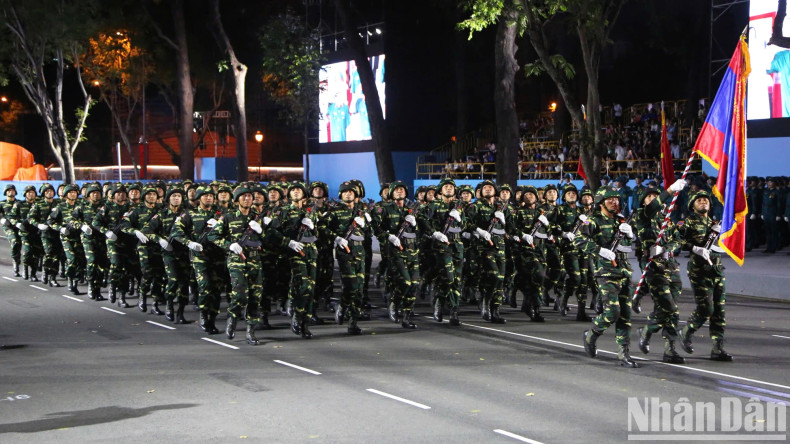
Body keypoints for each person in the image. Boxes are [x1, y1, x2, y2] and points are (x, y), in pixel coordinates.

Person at [578, 188, 639, 368]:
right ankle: (591, 334)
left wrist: (629, 236)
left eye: (616, 199)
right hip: (605, 272)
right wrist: (600, 250)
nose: (614, 202)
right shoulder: (593, 220)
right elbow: (579, 240)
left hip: (624, 271)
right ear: (601, 202)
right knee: (613, 311)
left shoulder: (621, 220)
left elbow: (626, 246)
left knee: (625, 315)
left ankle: (624, 352)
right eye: (610, 199)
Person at [208, 186, 272, 345]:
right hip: (237, 260)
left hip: (255, 260)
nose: (247, 199)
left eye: (249, 196)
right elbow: (212, 235)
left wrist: (262, 231)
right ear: (236, 200)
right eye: (243, 196)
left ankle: (251, 330)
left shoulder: (258, 217)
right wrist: (228, 245)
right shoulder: (228, 217)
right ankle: (233, 318)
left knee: (255, 297)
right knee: (240, 294)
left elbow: (269, 241)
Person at [634, 180, 688, 364]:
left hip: (671, 266)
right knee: (670, 307)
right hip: (653, 267)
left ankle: (669, 348)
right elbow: (651, 209)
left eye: (655, 196)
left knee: (670, 309)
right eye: (649, 197)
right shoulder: (642, 215)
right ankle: (649, 330)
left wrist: (666, 248)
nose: (653, 199)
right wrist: (670, 190)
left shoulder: (666, 219)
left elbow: (677, 239)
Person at [678, 190, 733, 361]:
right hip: (699, 270)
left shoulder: (714, 223)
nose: (703, 203)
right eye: (699, 200)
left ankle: (718, 348)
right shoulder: (687, 222)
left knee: (719, 311)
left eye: (706, 200)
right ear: (692, 205)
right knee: (706, 308)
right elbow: (676, 240)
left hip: (716, 270)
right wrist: (694, 247)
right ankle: (686, 331)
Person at [170, 185, 225, 334]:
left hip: (218, 257)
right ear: (199, 198)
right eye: (205, 195)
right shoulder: (189, 214)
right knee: (205, 286)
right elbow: (176, 232)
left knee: (216, 290)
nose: (208, 198)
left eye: (211, 196)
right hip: (200, 258)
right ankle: (203, 315)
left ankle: (212, 318)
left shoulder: (221, 215)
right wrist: (190, 243)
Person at [419, 177, 465, 325]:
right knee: (448, 277)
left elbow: (466, 225)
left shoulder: (459, 207)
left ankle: (454, 312)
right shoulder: (433, 206)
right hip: (441, 247)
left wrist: (460, 219)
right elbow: (422, 220)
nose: (449, 188)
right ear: (440, 191)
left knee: (456, 280)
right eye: (446, 187)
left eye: (451, 186)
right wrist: (434, 232)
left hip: (457, 246)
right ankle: (439, 302)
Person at [373, 180, 420, 328]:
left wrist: (415, 224)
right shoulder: (385, 209)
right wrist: (388, 236)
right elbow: (376, 228)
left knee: (414, 284)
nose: (400, 192)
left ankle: (407, 316)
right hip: (396, 252)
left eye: (402, 189)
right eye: (396, 190)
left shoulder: (413, 210)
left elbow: (425, 230)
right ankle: (394, 300)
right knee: (404, 282)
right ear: (392, 193)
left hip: (413, 251)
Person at [276, 182, 319, 338]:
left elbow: (318, 235)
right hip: (295, 251)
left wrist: (313, 227)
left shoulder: (311, 211)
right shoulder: (283, 211)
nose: (295, 192)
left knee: (311, 288)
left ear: (304, 194)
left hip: (311, 251)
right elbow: (274, 232)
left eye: (298, 190)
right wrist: (289, 242)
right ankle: (297, 316)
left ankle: (305, 323)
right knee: (302, 285)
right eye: (293, 190)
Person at [323, 181, 367, 335]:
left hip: (360, 251)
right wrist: (336, 238)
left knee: (359, 289)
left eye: (351, 192)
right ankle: (343, 305)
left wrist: (367, 223)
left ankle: (353, 322)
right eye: (345, 192)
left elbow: (372, 231)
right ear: (341, 195)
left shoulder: (361, 211)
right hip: (344, 252)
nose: (349, 194)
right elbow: (322, 227)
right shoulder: (334, 211)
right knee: (351, 286)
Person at [467, 179, 507, 323]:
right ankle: (485, 302)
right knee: (494, 276)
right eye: (485, 188)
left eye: (491, 187)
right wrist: (479, 230)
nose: (488, 189)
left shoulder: (501, 207)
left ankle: (495, 310)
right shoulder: (475, 206)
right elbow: (466, 222)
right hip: (484, 247)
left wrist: (505, 220)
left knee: (500, 280)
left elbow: (512, 228)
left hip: (500, 246)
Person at [93, 184, 134, 307]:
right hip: (113, 241)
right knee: (116, 265)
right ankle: (113, 286)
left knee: (126, 269)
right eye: (118, 193)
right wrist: (106, 231)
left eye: (122, 192)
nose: (120, 195)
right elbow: (96, 222)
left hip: (127, 241)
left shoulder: (131, 208)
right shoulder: (107, 207)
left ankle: (122, 296)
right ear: (113, 195)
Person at [0, 184, 22, 277]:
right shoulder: (2, 203)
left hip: (19, 226)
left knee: (21, 245)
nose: (11, 192)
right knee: (15, 242)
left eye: (12, 190)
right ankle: (15, 265)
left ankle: (18, 261)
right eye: (8, 191)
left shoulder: (20, 203)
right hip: (8, 227)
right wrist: (2, 219)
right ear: (5, 192)